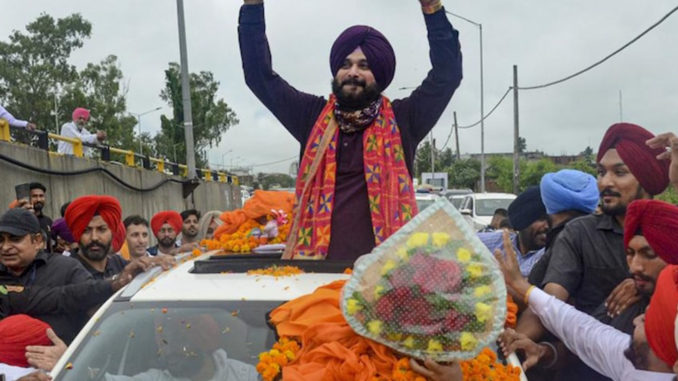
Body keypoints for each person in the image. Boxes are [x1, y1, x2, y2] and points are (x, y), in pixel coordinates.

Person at [239, 0, 462, 260]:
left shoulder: (404, 120)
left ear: (380, 74)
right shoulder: (311, 117)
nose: (352, 72)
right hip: (313, 272)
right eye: (345, 64)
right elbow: (259, 76)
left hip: (382, 281)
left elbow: (447, 75)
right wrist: (252, 7)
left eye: (364, 66)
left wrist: (432, 10)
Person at [515, 123, 670, 380]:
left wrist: (652, 283)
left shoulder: (670, 231)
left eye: (619, 173)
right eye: (600, 172)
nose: (605, 182)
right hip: (584, 369)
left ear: (646, 178)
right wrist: (514, 343)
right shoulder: (580, 233)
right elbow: (550, 302)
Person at [496, 230, 676, 381]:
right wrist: (523, 286)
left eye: (646, 320)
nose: (636, 320)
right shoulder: (632, 359)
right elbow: (582, 329)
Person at [0, 208, 92, 344]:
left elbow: (97, 321)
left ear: (37, 241)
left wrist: (66, 355)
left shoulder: (66, 269)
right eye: (1, 240)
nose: (5, 247)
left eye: (15, 239)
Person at [104, 315, 259, 381]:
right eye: (164, 343)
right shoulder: (158, 379)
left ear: (205, 341)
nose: (169, 351)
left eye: (180, 340)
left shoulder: (245, 376)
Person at [528, 168, 599, 287]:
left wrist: (515, 281)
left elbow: (551, 298)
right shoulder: (605, 232)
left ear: (549, 202)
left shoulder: (565, 237)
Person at [477, 186, 548, 277]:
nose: (547, 226)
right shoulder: (496, 242)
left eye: (551, 221)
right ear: (522, 221)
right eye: (541, 219)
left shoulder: (552, 254)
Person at [65, 196, 129, 280]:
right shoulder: (66, 273)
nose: (94, 237)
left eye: (101, 229)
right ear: (77, 235)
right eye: (86, 231)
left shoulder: (120, 264)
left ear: (112, 233)